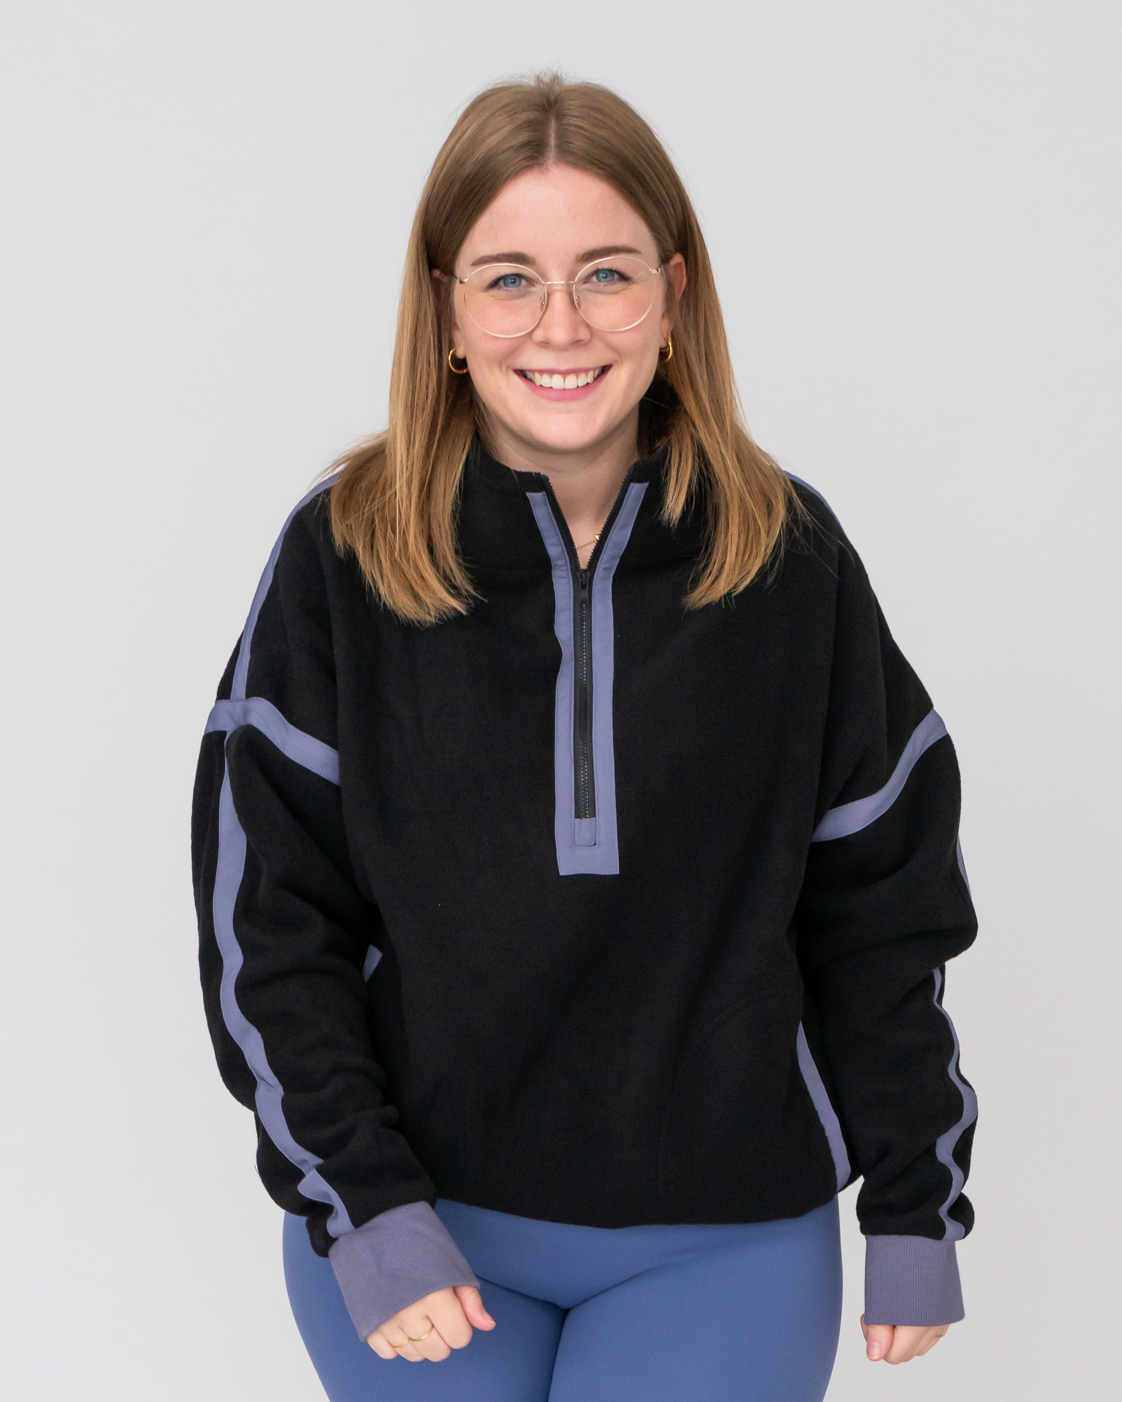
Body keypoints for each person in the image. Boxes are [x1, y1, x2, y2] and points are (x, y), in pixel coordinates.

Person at [192, 72, 978, 1402]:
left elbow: (882, 906)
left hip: (729, 1236)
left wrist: (917, 1196)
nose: (559, 325)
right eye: (508, 279)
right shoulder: (341, 555)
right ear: (445, 309)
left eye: (604, 274)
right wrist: (361, 1201)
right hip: (424, 1220)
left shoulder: (789, 559)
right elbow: (265, 920)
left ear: (672, 294)